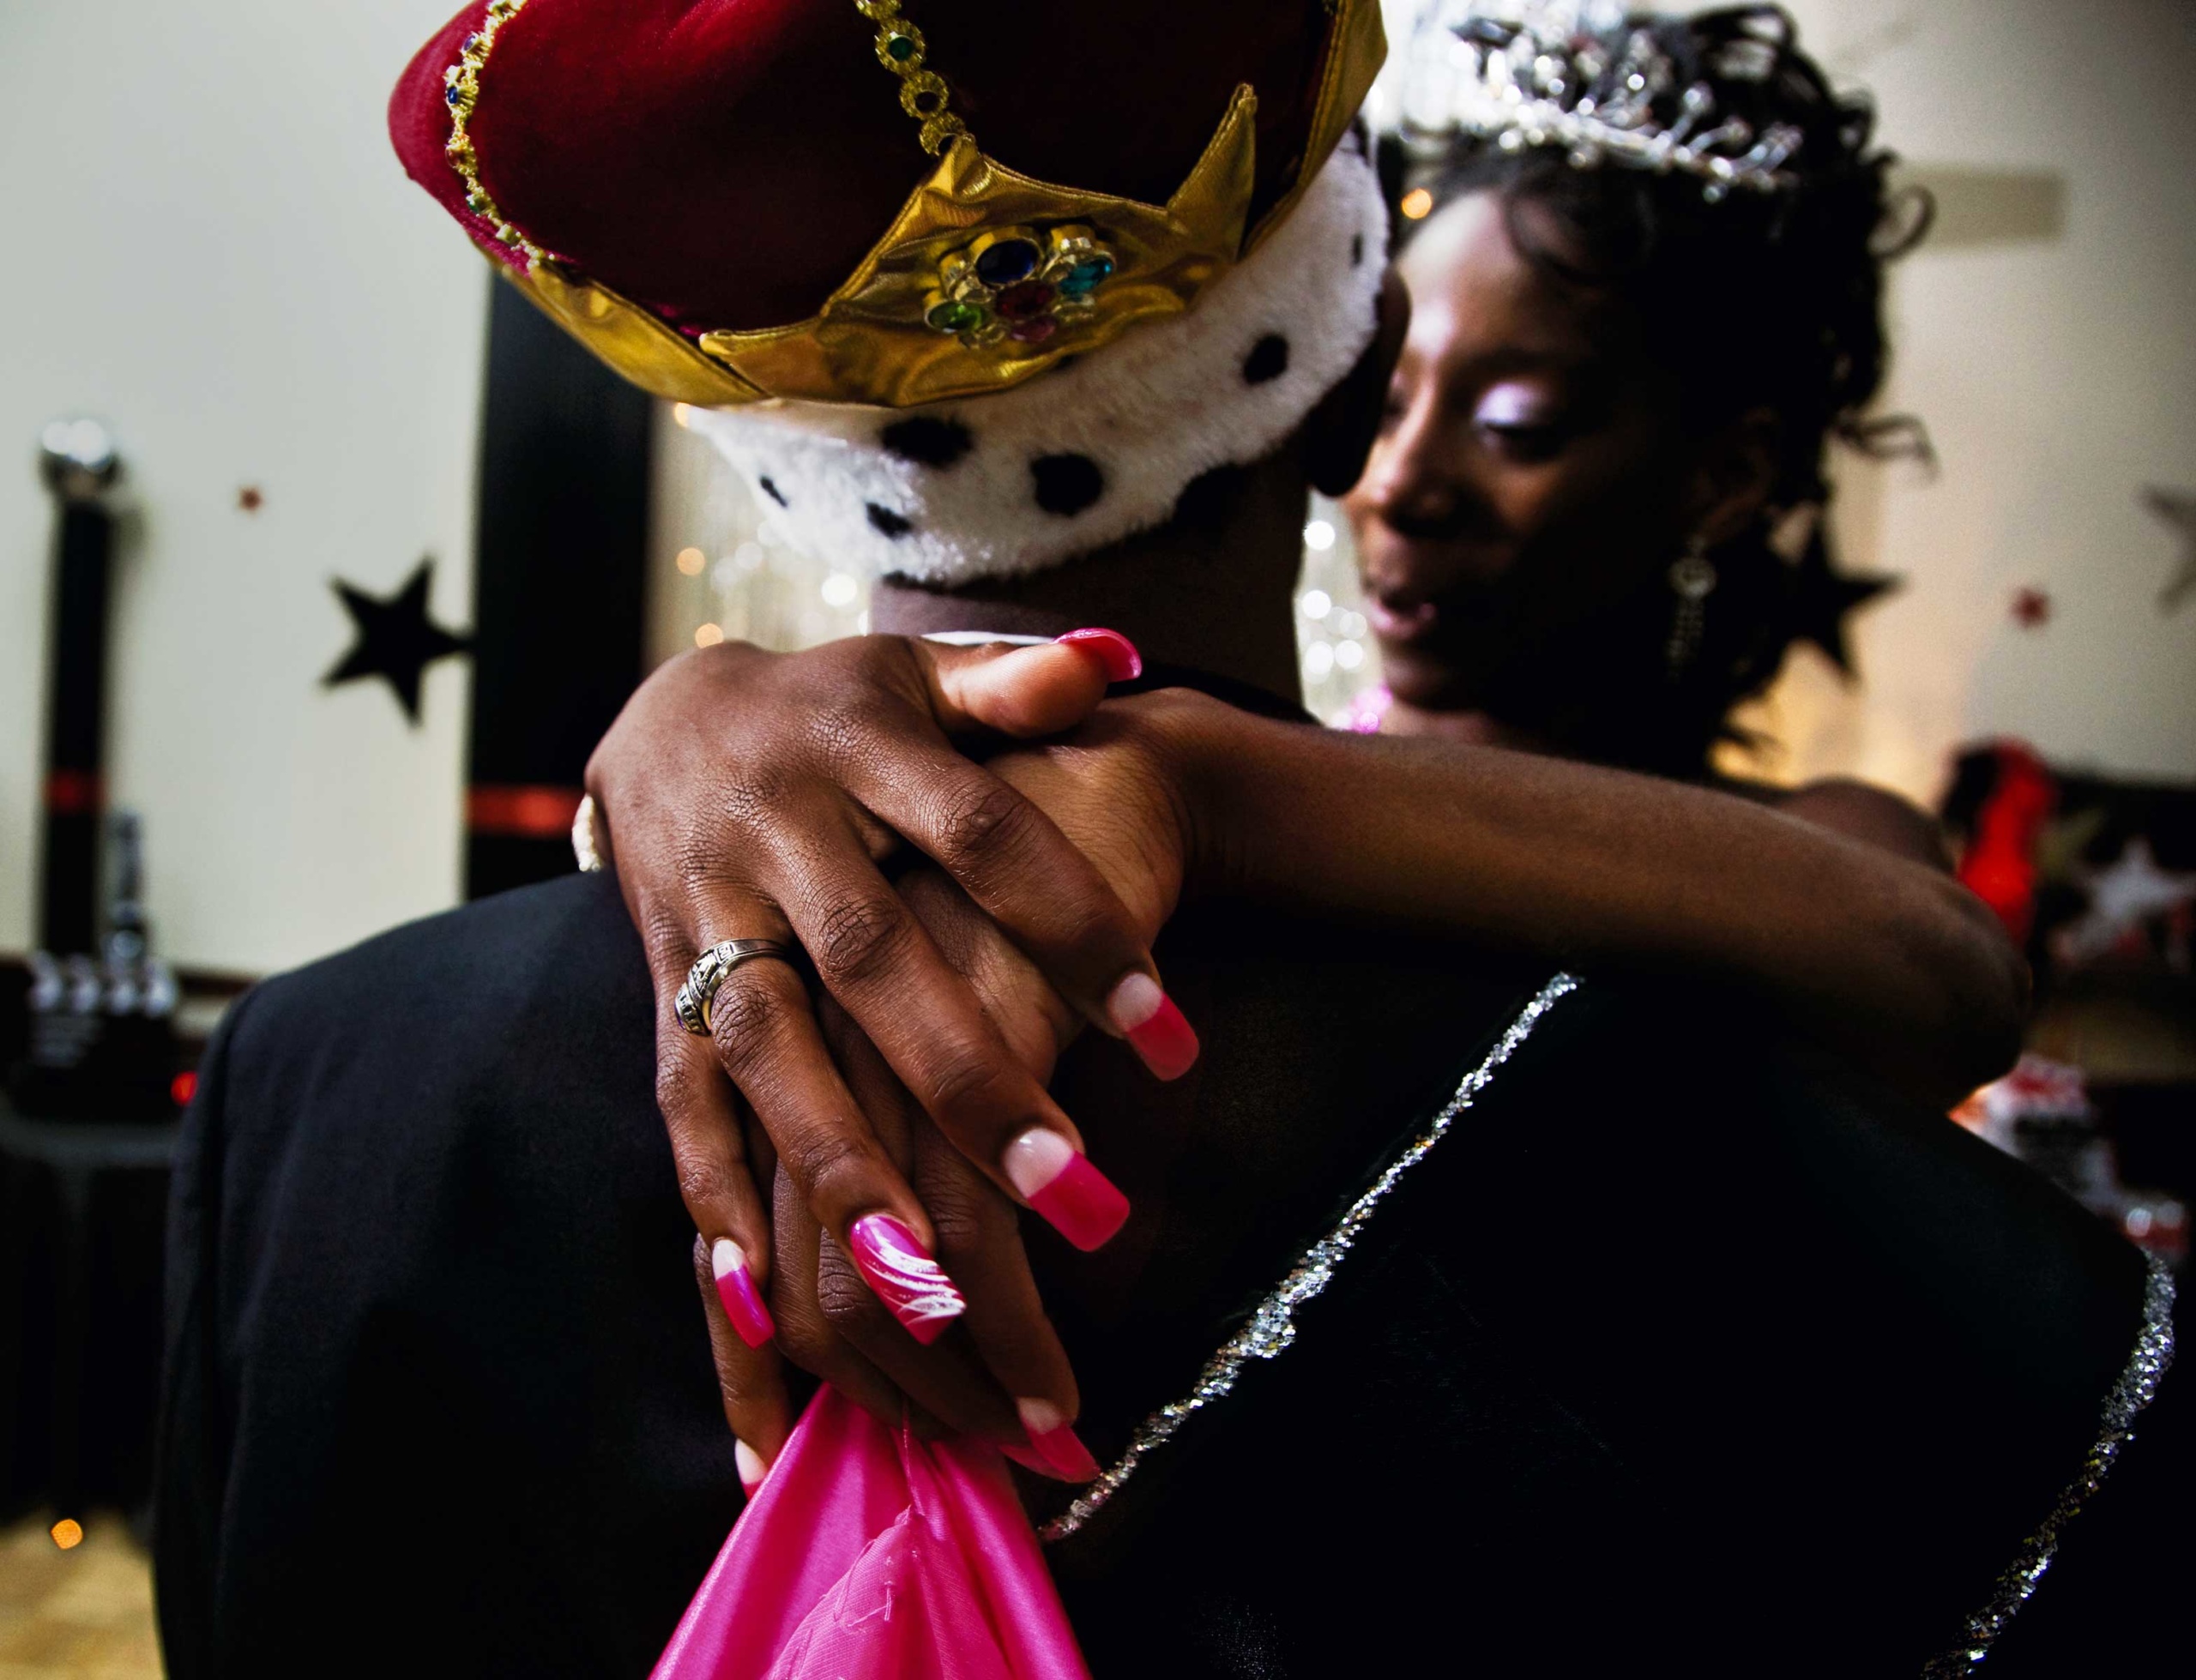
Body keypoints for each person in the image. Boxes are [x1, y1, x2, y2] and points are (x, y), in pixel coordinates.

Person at [156, 3, 2177, 1676]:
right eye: (1417, 390)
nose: (1410, 482)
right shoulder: (792, 814)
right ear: (1347, 355)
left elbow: (1930, 958)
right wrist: (700, 718)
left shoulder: (1734, 944)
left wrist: (1184, 767)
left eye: (1525, 412)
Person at [1347, 3, 1932, 800]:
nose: (1396, 486)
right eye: (1385, 404)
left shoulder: (1822, 876)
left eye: (1516, 426)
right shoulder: (1227, 804)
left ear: (1724, 479)